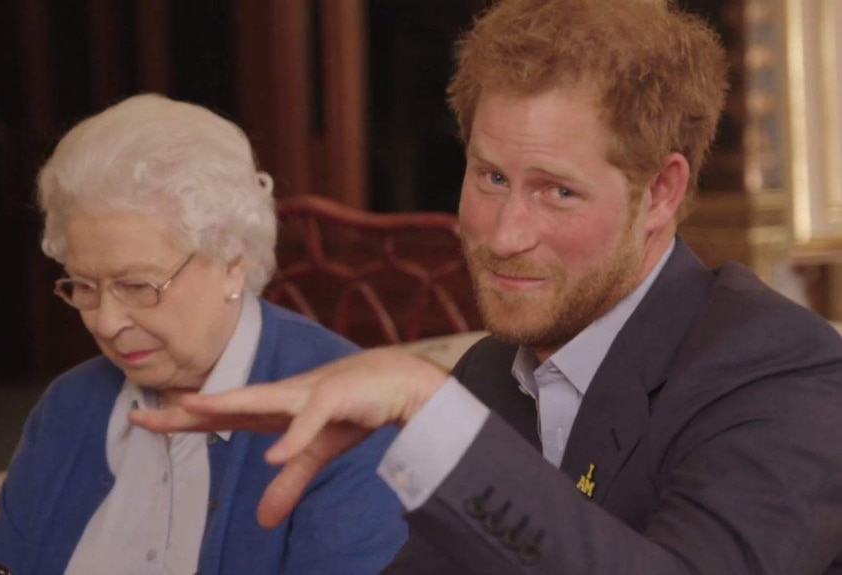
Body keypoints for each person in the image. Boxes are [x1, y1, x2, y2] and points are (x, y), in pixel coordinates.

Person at [132, 0, 842, 573]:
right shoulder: (493, 373)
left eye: (557, 192)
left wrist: (426, 402)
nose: (503, 234)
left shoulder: (779, 367)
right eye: (491, 176)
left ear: (660, 192)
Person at [0, 94, 407, 575]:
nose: (105, 321)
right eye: (84, 285)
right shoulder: (69, 407)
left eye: (138, 286)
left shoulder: (343, 416)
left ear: (233, 261)